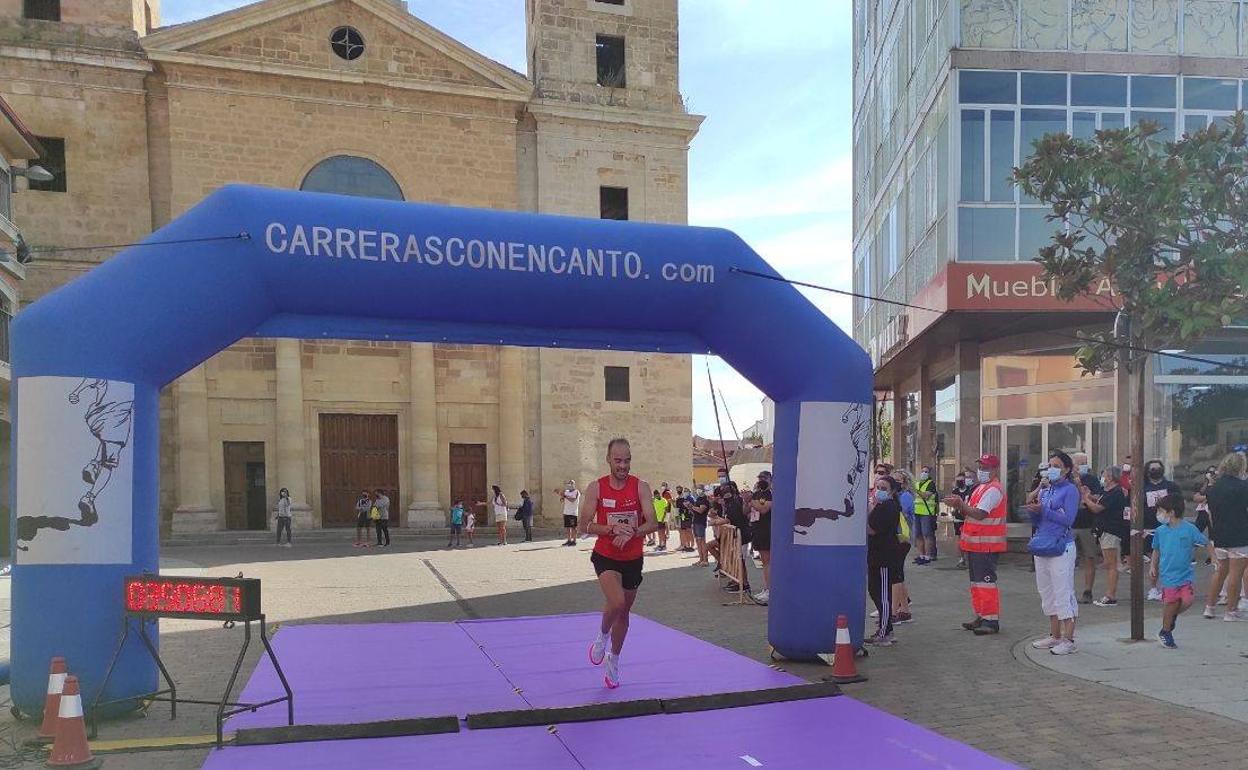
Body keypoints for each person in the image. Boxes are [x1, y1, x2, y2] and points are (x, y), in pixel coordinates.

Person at [581, 437, 658, 689]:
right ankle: (601, 637)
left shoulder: (641, 487)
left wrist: (632, 532)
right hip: (605, 555)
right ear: (608, 460)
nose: (623, 466)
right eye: (618, 460)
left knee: (624, 612)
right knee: (616, 601)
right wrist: (610, 529)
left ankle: (614, 659)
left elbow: (652, 523)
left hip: (633, 558)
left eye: (626, 460)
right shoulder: (597, 488)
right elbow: (584, 525)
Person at [943, 454, 1006, 636]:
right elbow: (970, 513)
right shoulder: (981, 488)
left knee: (985, 583)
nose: (981, 471)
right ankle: (981, 615)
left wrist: (960, 504)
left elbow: (980, 514)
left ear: (995, 470)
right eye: (980, 467)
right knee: (977, 584)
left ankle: (991, 620)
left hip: (986, 545)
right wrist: (959, 506)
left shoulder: (993, 489)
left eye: (986, 468)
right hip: (975, 544)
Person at [1024, 452, 1080, 655]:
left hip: (1061, 545)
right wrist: (1033, 510)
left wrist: (1044, 511)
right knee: (1046, 591)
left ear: (1066, 469)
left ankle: (1069, 638)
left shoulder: (1070, 490)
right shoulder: (1045, 491)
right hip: (1043, 543)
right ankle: (1055, 635)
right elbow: (1039, 521)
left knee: (1063, 590)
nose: (1051, 469)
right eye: (1049, 465)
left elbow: (1069, 519)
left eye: (1056, 465)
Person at [1150, 495, 1207, 648]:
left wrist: (1214, 557)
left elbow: (1205, 542)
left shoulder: (1189, 528)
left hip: (1185, 574)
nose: (1159, 514)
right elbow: (1156, 549)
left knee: (1188, 601)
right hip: (1167, 574)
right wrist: (1152, 566)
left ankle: (1171, 617)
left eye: (1161, 511)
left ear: (1172, 512)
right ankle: (1165, 631)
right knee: (1171, 602)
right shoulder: (1160, 531)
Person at [1203, 452, 1248, 621]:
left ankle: (1210, 607)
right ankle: (1231, 611)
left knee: (1220, 571)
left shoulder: (1214, 488)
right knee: (1236, 574)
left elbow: (1211, 514)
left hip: (1219, 535)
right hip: (1240, 535)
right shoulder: (1244, 487)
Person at [1083, 466, 1129, 607]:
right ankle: (1109, 594)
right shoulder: (1107, 491)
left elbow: (1098, 508)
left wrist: (1086, 499)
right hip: (1104, 531)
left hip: (1111, 531)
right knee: (1110, 563)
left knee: (1111, 564)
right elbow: (1100, 499)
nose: (1103, 478)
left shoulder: (1116, 492)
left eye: (1105, 475)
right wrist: (1090, 495)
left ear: (1110, 477)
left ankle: (1110, 595)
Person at [867, 475, 904, 646]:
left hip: (884, 555)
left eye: (883, 488)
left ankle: (885, 631)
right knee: (875, 590)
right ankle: (885, 629)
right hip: (877, 554)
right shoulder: (882, 506)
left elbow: (872, 529)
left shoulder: (888, 506)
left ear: (892, 491)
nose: (878, 491)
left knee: (882, 594)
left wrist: (868, 509)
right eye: (877, 487)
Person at [1141, 460, 1182, 601]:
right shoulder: (1142, 488)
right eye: (1152, 469)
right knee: (1154, 559)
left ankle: (1170, 586)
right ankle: (1153, 588)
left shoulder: (1171, 486)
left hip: (1169, 527)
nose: (1155, 471)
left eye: (1158, 468)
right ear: (1147, 471)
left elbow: (1179, 503)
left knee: (1169, 559)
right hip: (1149, 528)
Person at [1071, 452, 1102, 604]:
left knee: (1089, 558)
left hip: (1087, 525)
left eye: (1085, 462)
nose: (1082, 466)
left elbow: (1099, 498)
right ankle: (1067, 591)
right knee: (1067, 559)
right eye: (1079, 463)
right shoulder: (1067, 480)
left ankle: (1088, 591)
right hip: (1070, 524)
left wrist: (1087, 496)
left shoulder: (1092, 479)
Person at [751, 477, 774, 605]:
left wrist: (753, 502)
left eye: (763, 478)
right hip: (757, 529)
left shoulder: (770, 494)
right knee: (764, 561)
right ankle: (766, 588)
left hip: (767, 530)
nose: (761, 481)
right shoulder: (757, 494)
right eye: (759, 478)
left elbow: (764, 509)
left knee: (768, 561)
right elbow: (749, 509)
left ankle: (770, 590)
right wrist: (749, 501)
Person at [912, 465, 938, 564]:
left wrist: (916, 490)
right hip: (917, 512)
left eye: (926, 472)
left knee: (927, 535)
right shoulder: (917, 484)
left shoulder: (931, 484)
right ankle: (921, 555)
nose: (923, 473)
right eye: (922, 471)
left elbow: (926, 496)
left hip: (927, 513)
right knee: (918, 535)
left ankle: (928, 556)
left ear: (929, 474)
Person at [951, 470, 976, 568]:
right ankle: (962, 558)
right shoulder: (955, 491)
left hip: (968, 517)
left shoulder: (971, 490)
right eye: (958, 481)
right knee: (960, 538)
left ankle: (970, 558)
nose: (960, 482)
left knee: (969, 538)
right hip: (958, 518)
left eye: (962, 480)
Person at [556, 481, 581, 547]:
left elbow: (573, 500)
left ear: (574, 485)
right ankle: (569, 540)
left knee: (573, 527)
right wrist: (561, 495)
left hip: (573, 512)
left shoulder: (576, 492)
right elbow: (562, 500)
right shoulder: (566, 492)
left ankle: (574, 541)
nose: (570, 485)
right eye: (569, 484)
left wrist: (565, 496)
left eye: (571, 484)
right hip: (566, 512)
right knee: (567, 527)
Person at [691, 486, 711, 567]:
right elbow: (695, 511)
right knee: (698, 541)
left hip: (701, 522)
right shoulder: (698, 499)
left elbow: (701, 510)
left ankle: (705, 560)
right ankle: (701, 559)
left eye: (699, 489)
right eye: (697, 489)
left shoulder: (704, 500)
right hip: (695, 521)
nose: (698, 490)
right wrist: (690, 507)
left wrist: (692, 506)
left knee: (702, 541)